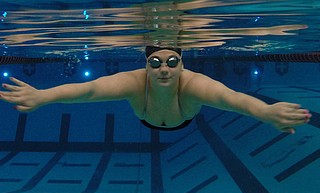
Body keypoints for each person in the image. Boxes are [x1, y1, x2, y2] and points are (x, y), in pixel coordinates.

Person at [0, 46, 311, 133]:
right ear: (146, 64)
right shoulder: (136, 82)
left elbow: (232, 100)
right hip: (146, 116)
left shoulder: (193, 85)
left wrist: (266, 111)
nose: (164, 68)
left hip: (183, 117)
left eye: (172, 62)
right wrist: (43, 96)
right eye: (156, 62)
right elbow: (88, 91)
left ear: (182, 64)